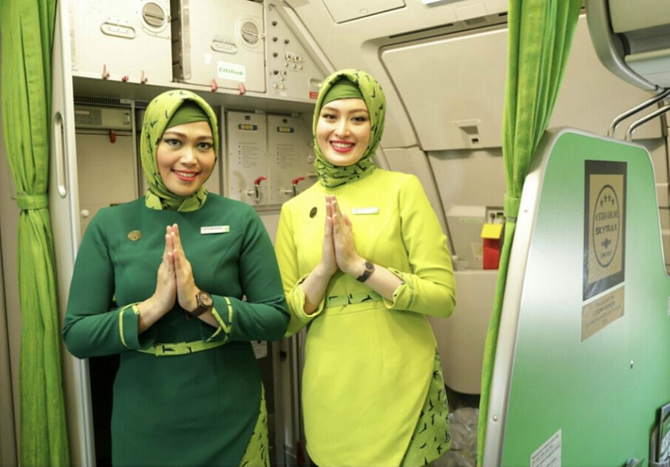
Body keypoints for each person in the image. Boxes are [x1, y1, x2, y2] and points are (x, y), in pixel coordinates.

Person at [62, 90, 289, 467]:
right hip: (145, 422)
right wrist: (153, 307)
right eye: (174, 141)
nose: (190, 158)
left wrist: (200, 302)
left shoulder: (240, 219)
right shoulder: (110, 225)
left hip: (232, 417)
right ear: (151, 145)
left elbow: (276, 318)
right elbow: (77, 334)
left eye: (204, 145)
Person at [275, 69, 457, 466]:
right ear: (316, 122)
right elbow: (284, 321)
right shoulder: (294, 210)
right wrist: (324, 270)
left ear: (374, 127)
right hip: (330, 389)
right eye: (330, 116)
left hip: (403, 383)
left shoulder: (402, 189)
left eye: (358, 118)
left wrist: (359, 266)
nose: (342, 130)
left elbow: (442, 298)